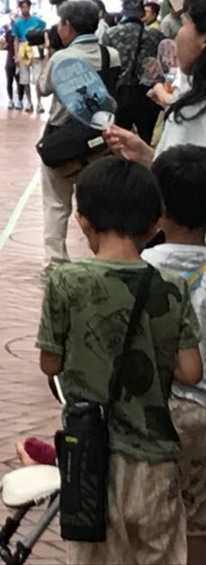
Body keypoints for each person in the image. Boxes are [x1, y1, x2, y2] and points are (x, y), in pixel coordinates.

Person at [36, 156, 201, 565]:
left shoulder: (66, 281)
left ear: (82, 221)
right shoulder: (172, 287)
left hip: (90, 457)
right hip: (155, 461)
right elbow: (190, 371)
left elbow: (50, 364)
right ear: (154, 223)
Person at [145, 146, 206, 565]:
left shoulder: (140, 267)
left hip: (154, 412)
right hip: (202, 416)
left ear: (159, 207)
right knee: (198, 521)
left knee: (149, 516)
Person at [37, 0, 123, 271]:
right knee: (100, 203)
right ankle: (106, 256)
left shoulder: (61, 58)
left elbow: (42, 88)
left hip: (63, 141)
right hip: (101, 139)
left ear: (68, 26)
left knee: (56, 203)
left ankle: (55, 261)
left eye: (60, 23)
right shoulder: (111, 55)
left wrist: (51, 52)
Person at [106, 0, 206, 166]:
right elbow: (177, 170)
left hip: (122, 95)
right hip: (146, 96)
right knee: (147, 132)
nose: (176, 37)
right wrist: (147, 155)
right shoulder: (155, 35)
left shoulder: (192, 112)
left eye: (183, 24)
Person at [104, 0, 165, 146]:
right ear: (142, 12)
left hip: (119, 94)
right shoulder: (156, 35)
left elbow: (106, 66)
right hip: (148, 94)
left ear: (123, 11)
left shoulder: (110, 34)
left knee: (119, 141)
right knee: (145, 140)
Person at [11, 0, 46, 111]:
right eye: (22, 7)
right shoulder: (17, 23)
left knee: (37, 77)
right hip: (23, 48)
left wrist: (43, 47)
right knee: (24, 78)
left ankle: (39, 102)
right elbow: (16, 39)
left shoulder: (37, 21)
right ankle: (29, 102)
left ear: (30, 7)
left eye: (26, 7)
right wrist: (16, 55)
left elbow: (44, 33)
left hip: (35, 46)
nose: (24, 9)